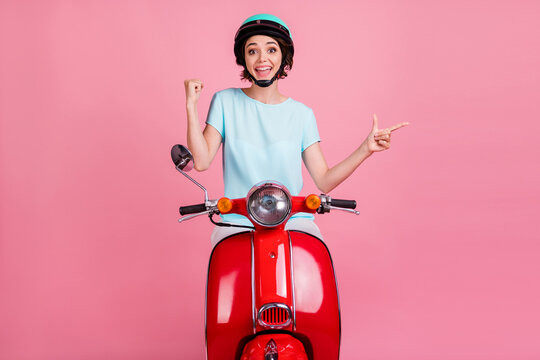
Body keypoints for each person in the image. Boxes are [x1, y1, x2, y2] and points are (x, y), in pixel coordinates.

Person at [184, 14, 409, 246]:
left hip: (292, 221)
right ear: (244, 57)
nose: (262, 59)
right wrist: (191, 106)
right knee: (225, 270)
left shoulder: (301, 114)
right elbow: (201, 162)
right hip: (237, 220)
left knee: (313, 265)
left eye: (271, 50)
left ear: (283, 56)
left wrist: (366, 149)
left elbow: (324, 180)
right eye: (253, 51)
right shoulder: (224, 101)